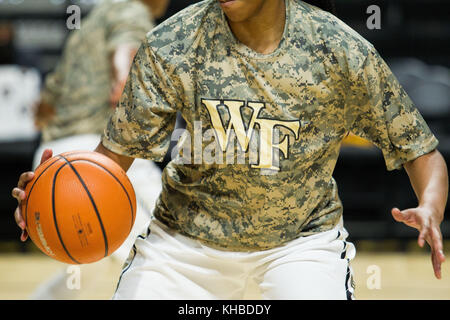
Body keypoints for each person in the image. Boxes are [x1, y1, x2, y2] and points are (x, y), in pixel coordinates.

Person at [13, 0, 448, 300]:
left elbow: (422, 153)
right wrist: (54, 191)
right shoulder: (172, 44)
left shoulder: (339, 50)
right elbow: (111, 161)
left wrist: (430, 205)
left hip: (298, 244)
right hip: (183, 246)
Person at [22, 0, 170, 299]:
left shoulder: (86, 27)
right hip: (99, 156)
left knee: (86, 260)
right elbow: (125, 57)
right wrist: (123, 80)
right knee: (160, 247)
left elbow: (43, 107)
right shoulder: (132, 11)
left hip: (55, 154)